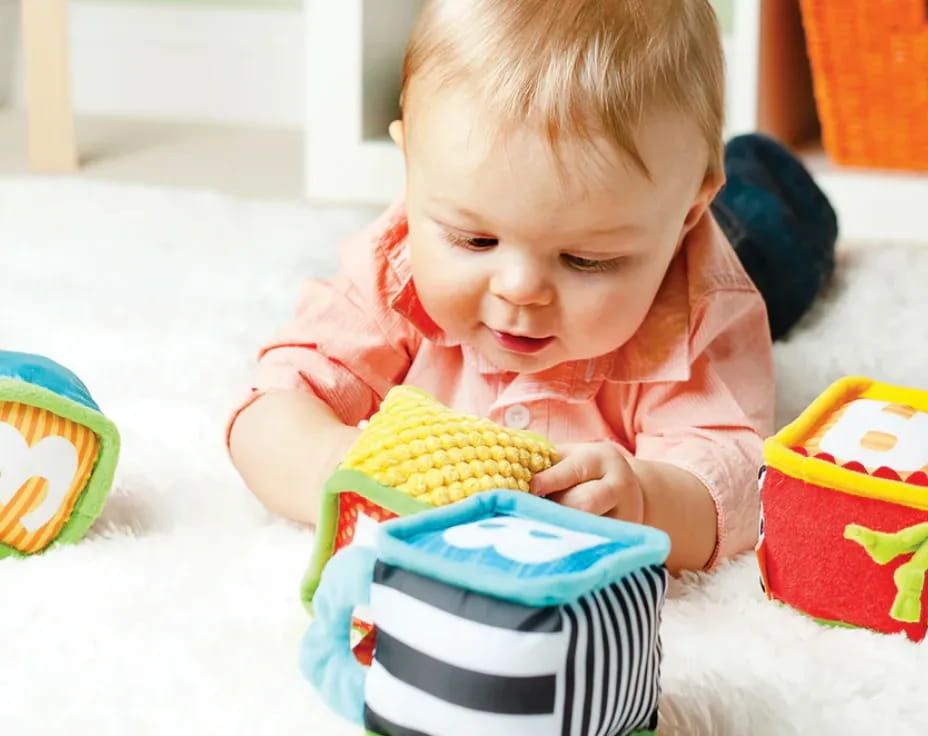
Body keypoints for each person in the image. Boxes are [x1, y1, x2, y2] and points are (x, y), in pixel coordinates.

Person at [228, 0, 836, 573]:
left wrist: (650, 500)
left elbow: (737, 481)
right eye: (474, 240)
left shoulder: (702, 311)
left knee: (772, 234)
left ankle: (758, 171)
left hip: (737, 242)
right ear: (411, 165)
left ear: (684, 218)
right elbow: (275, 399)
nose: (520, 290)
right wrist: (335, 466)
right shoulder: (394, 260)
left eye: (586, 259)